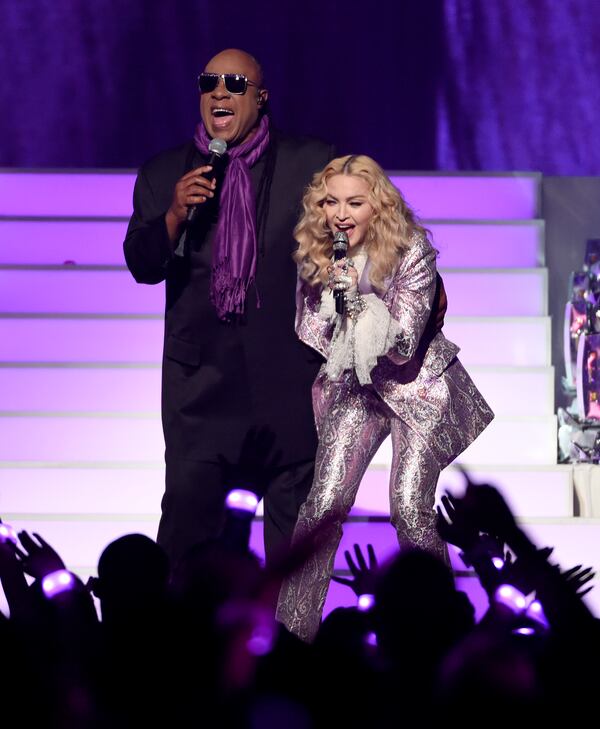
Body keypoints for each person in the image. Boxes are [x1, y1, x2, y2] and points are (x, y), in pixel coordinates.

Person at [123, 48, 335, 567]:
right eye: (210, 82)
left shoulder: (311, 165)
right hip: (202, 397)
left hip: (288, 388)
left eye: (236, 83)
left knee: (293, 567)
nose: (221, 91)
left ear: (260, 99)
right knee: (189, 551)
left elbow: (371, 228)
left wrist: (424, 276)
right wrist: (174, 213)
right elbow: (142, 263)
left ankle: (291, 648)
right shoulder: (165, 173)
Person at [275, 155, 494, 642]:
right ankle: (292, 636)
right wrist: (334, 305)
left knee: (409, 507)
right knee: (322, 505)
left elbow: (402, 346)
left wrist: (358, 301)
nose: (341, 214)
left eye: (355, 202)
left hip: (416, 386)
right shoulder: (320, 252)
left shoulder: (412, 249)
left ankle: (436, 634)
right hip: (357, 384)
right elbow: (309, 330)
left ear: (379, 206)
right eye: (331, 202)